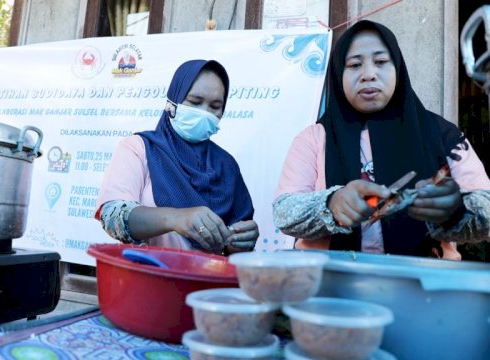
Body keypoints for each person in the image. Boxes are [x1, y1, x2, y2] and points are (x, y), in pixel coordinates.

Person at [273, 20, 490, 259]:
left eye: (381, 62)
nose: (368, 74)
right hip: (330, 284)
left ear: (397, 67)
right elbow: (284, 212)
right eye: (355, 64)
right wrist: (330, 204)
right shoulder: (314, 138)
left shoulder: (442, 134)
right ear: (338, 74)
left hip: (423, 286)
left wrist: (459, 209)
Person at [95, 59, 259, 255]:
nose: (204, 113)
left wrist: (238, 241)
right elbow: (112, 217)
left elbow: (236, 244)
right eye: (195, 102)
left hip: (208, 282)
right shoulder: (140, 148)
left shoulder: (227, 166)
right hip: (148, 277)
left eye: (215, 106)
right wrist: (175, 218)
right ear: (173, 102)